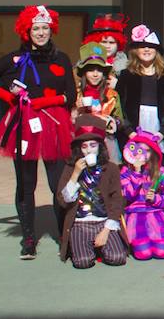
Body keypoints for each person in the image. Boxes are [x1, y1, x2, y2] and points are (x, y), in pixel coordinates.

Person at [0, 5, 76, 258]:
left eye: (45, 28)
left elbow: (71, 95)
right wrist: (5, 96)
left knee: (58, 183)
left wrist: (45, 103)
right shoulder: (13, 59)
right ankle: (29, 239)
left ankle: (63, 235)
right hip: (24, 128)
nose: (41, 33)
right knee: (26, 184)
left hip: (54, 126)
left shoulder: (61, 58)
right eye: (36, 29)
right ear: (26, 31)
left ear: (51, 30)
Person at [57, 115, 127, 268]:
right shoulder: (70, 168)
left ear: (100, 147)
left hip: (103, 222)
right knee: (82, 262)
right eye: (84, 146)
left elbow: (117, 200)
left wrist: (107, 230)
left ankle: (101, 246)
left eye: (93, 145)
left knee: (117, 258)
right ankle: (87, 248)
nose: (89, 150)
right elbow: (63, 201)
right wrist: (75, 174)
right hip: (80, 223)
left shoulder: (111, 168)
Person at [117, 24, 164, 169]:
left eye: (150, 46)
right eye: (142, 46)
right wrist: (130, 132)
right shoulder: (126, 75)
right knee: (135, 169)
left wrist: (161, 133)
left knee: (157, 169)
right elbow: (119, 106)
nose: (146, 49)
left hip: (159, 128)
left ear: (157, 51)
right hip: (133, 129)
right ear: (136, 50)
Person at [120, 128, 164, 260]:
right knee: (143, 254)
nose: (142, 154)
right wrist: (137, 173)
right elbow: (127, 195)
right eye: (139, 150)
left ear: (154, 153)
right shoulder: (126, 172)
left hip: (156, 215)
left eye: (147, 151)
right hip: (136, 217)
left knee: (162, 253)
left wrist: (156, 198)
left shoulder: (160, 172)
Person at [74, 42, 123, 163]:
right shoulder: (77, 94)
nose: (95, 74)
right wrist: (77, 110)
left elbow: (120, 120)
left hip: (107, 143)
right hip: (83, 145)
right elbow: (69, 123)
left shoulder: (112, 95)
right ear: (84, 72)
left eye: (99, 70)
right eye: (91, 70)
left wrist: (113, 122)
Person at [82, 13, 130, 78]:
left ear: (118, 44)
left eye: (112, 42)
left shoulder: (127, 66)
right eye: (104, 42)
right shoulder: (84, 61)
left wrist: (117, 85)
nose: (107, 46)